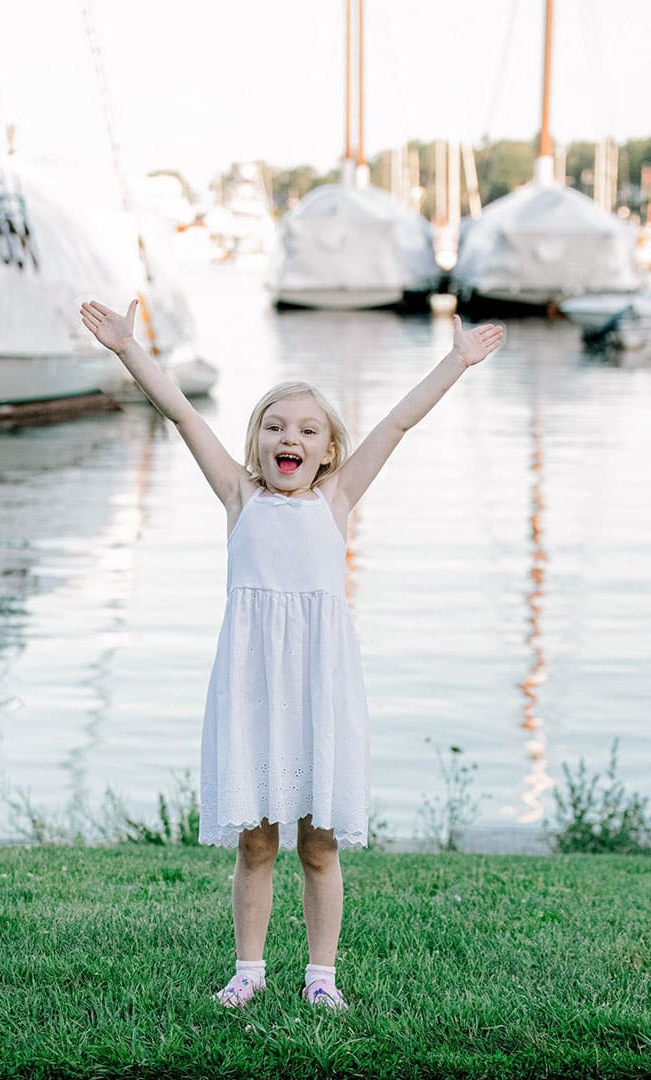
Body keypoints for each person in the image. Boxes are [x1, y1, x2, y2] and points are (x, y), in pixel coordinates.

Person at [80, 298, 503, 1011]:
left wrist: (455, 362)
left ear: (328, 450)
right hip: (251, 688)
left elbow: (397, 422)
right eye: (276, 427)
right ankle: (249, 969)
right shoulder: (238, 495)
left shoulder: (336, 499)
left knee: (319, 844)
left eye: (308, 430)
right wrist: (128, 348)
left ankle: (321, 977)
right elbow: (183, 413)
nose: (291, 438)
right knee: (256, 843)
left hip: (319, 689)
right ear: (257, 443)